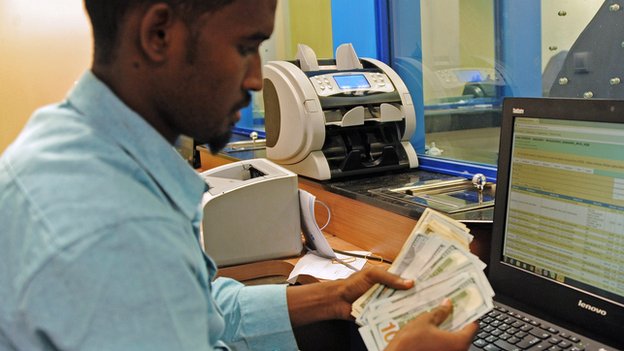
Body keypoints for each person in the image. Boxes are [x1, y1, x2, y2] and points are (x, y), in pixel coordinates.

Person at [0, 1, 478, 350]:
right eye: (245, 47)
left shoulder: (79, 143)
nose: (255, 79)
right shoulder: (116, 233)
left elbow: (202, 310)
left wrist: (335, 298)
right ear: (159, 34)